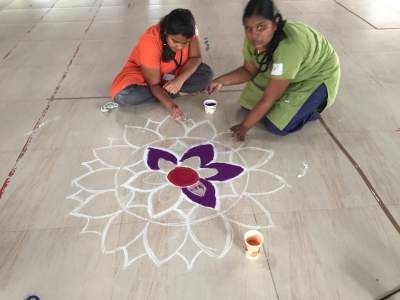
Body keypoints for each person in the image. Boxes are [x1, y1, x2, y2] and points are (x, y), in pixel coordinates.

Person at [208, 0, 340, 140]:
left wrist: (244, 127)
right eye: (249, 29)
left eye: (261, 27)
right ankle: (286, 88)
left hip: (315, 75)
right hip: (286, 70)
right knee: (248, 105)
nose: (255, 36)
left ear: (275, 24)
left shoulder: (289, 46)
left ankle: (313, 107)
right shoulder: (253, 40)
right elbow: (248, 71)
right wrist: (220, 81)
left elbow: (269, 98)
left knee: (276, 126)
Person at [104, 8, 213, 120]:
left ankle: (172, 90)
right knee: (124, 95)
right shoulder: (150, 40)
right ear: (166, 33)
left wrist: (179, 80)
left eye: (185, 43)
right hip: (145, 79)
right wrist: (171, 106)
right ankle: (177, 92)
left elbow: (196, 58)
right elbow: (154, 85)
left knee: (206, 74)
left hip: (173, 74)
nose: (180, 47)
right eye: (175, 41)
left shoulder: (190, 32)